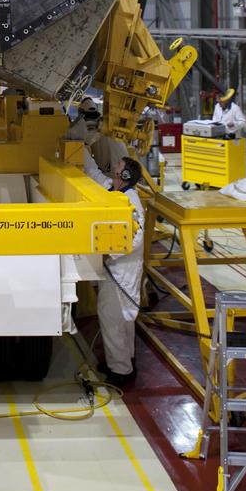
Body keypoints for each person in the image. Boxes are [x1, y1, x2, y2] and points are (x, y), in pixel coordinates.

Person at [92, 156, 145, 388]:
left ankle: (120, 370)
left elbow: (135, 236)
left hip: (121, 272)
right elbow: (96, 176)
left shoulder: (130, 202)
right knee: (124, 319)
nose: (114, 167)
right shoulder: (118, 194)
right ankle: (125, 360)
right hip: (120, 270)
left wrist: (107, 254)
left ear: (125, 176)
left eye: (119, 166)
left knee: (113, 318)